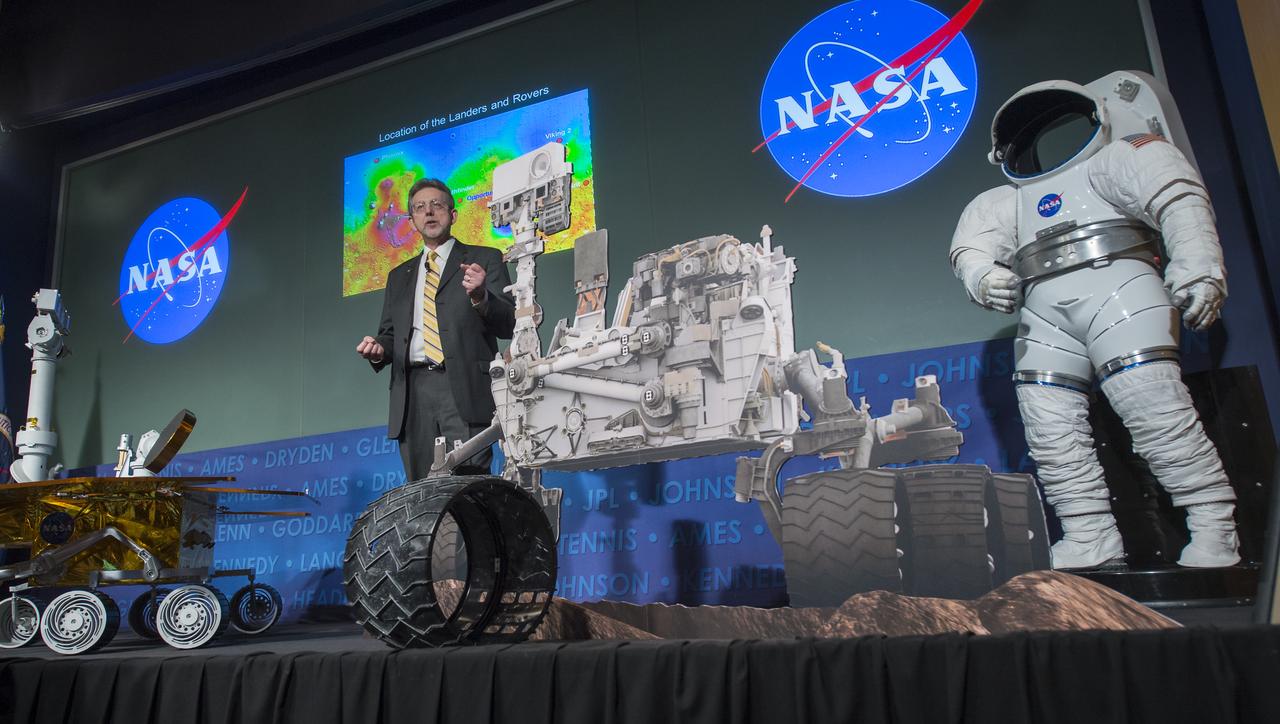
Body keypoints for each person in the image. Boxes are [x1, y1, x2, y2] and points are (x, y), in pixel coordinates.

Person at [949, 72, 1239, 570]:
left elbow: (1180, 203)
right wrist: (982, 277)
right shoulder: (1003, 201)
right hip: (1045, 312)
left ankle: (1214, 524)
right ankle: (1088, 534)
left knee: (1154, 410)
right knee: (1049, 426)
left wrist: (1197, 272)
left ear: (1095, 115)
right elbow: (969, 250)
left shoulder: (1120, 158)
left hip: (1121, 288)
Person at [356, 178, 515, 480]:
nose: (429, 213)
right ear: (413, 219)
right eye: (419, 208)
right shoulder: (398, 276)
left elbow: (509, 323)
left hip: (465, 389)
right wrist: (378, 350)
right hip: (414, 394)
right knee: (421, 495)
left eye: (437, 205)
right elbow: (390, 335)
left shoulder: (485, 258)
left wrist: (481, 296)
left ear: (453, 215)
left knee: (469, 492)